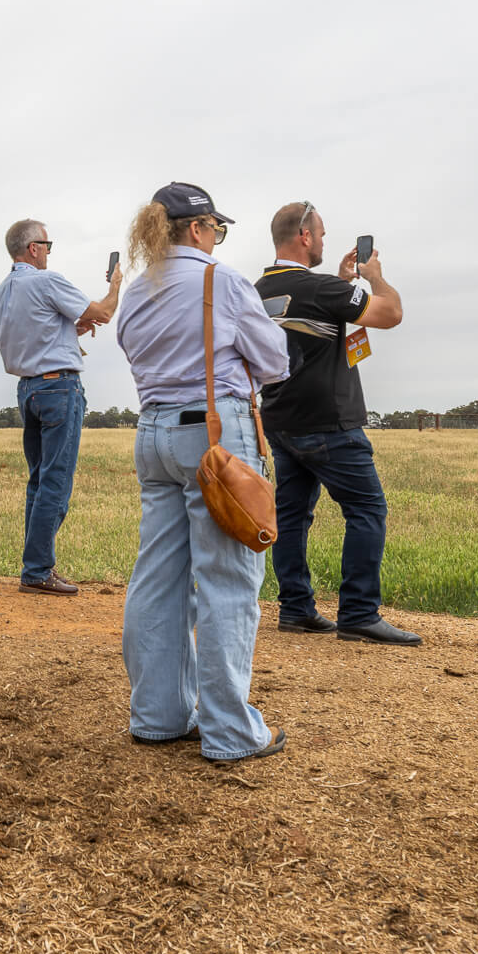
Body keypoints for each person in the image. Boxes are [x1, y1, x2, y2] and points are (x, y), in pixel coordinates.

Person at [114, 183, 290, 763]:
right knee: (228, 582)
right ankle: (231, 732)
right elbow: (274, 362)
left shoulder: (137, 292)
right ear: (197, 228)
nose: (217, 238)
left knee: (157, 578)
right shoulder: (223, 280)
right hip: (215, 435)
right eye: (216, 228)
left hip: (152, 434)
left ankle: (158, 716)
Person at [255, 203, 417, 645]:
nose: (325, 242)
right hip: (330, 420)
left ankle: (296, 609)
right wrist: (374, 275)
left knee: (291, 516)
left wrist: (342, 283)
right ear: (305, 236)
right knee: (366, 509)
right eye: (322, 234)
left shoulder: (257, 289)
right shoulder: (319, 287)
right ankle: (360, 614)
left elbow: (302, 322)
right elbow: (390, 314)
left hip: (279, 420)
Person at [0, 219, 125, 596]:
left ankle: (35, 566)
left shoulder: (4, 289)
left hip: (28, 390)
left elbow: (37, 328)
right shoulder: (47, 281)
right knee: (55, 481)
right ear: (33, 247)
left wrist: (71, 328)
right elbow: (101, 312)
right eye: (47, 244)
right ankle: (37, 569)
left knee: (38, 480)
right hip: (59, 386)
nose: (49, 251)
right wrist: (115, 284)